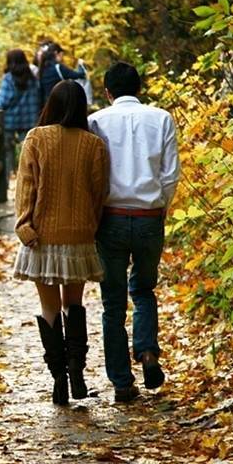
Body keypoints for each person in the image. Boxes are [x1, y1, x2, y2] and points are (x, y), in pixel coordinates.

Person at [13, 80, 110, 406]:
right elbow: (100, 193)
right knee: (75, 304)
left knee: (50, 307)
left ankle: (58, 379)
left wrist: (24, 225)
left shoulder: (36, 139)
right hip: (79, 236)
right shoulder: (93, 144)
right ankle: (76, 371)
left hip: (42, 236)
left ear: (51, 105)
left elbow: (26, 187)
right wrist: (90, 226)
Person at [88, 62, 180, 403]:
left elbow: (92, 173)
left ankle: (122, 383)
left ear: (108, 92)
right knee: (143, 289)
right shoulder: (162, 118)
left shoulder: (95, 121)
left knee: (112, 303)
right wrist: (160, 206)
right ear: (139, 88)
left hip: (110, 218)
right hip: (148, 217)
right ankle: (147, 352)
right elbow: (170, 175)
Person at [0, 49, 41, 178]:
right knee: (29, 150)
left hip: (10, 121)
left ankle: (10, 175)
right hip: (30, 120)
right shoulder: (33, 77)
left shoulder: (9, 79)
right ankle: (28, 176)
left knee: (7, 150)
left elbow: (3, 102)